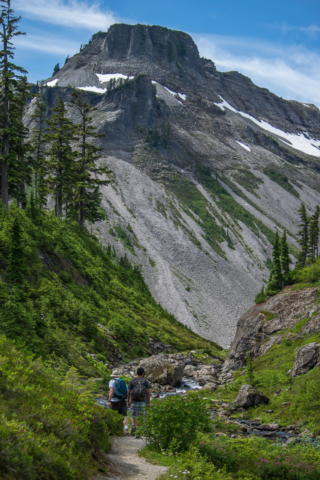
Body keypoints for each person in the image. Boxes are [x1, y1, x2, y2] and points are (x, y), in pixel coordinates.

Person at [127, 367, 151, 436]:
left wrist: (128, 400)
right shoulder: (145, 381)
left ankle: (133, 425)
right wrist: (148, 402)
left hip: (134, 400)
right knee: (141, 415)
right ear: (143, 373)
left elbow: (128, 391)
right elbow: (148, 392)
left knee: (133, 414)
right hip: (142, 400)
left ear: (136, 373)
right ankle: (139, 431)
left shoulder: (132, 381)